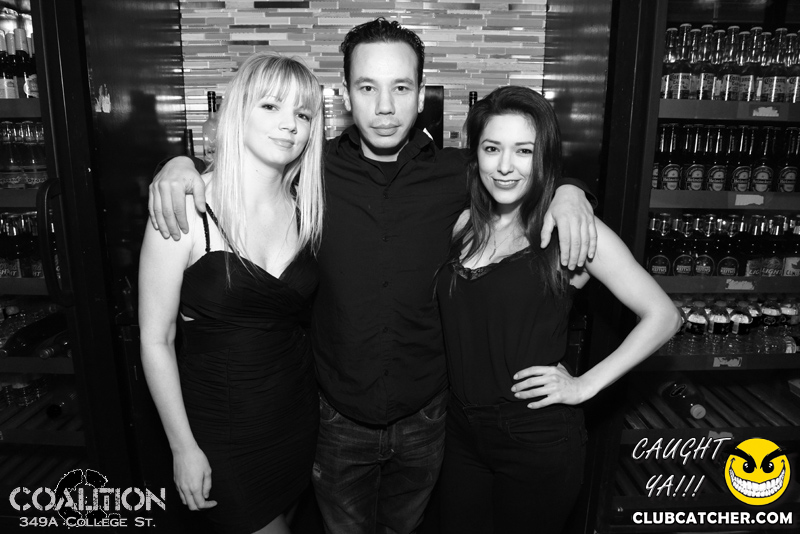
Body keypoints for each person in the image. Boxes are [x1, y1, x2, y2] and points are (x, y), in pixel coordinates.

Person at [147, 18, 598, 534]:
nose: (385, 107)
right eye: (367, 88)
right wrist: (177, 164)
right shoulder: (310, 171)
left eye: (401, 88)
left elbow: (523, 173)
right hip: (334, 418)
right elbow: (241, 163)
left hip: (428, 417)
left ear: (421, 95)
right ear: (344, 95)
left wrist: (572, 191)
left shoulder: (460, 174)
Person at [435, 85, 682, 534]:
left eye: (523, 150)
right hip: (459, 432)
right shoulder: (465, 223)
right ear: (476, 155)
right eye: (492, 148)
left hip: (534, 436)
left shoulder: (568, 230)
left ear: (544, 156)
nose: (505, 166)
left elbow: (664, 316)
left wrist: (585, 385)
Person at [138, 52, 324, 534]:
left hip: (297, 416)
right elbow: (155, 339)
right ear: (239, 110)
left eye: (303, 114)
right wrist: (182, 446)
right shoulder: (186, 208)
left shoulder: (307, 211)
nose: (289, 124)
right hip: (221, 430)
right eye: (271, 106)